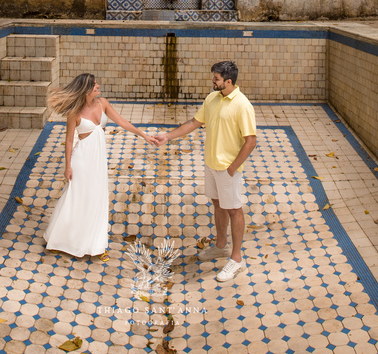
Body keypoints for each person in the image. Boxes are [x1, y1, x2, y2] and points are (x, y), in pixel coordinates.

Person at [153, 60, 256, 282]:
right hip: (211, 164)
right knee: (218, 204)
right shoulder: (212, 98)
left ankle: (236, 259)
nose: (213, 81)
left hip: (228, 168)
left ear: (228, 81)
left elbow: (250, 141)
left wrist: (233, 167)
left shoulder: (242, 105)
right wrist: (167, 137)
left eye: (216, 79)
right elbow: (194, 122)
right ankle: (220, 246)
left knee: (234, 209)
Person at [43, 72, 158, 258]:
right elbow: (69, 140)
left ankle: (96, 245)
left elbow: (121, 122)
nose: (98, 86)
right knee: (76, 199)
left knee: (97, 199)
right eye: (94, 85)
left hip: (98, 161)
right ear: (86, 89)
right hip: (81, 160)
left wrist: (144, 135)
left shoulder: (103, 103)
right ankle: (60, 238)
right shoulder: (74, 112)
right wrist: (68, 167)